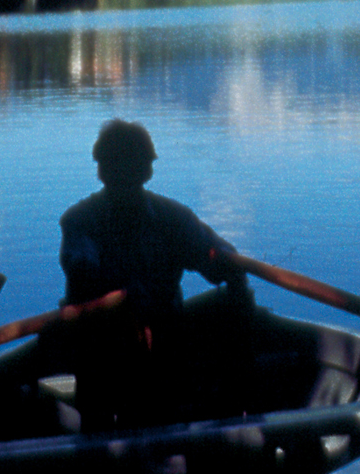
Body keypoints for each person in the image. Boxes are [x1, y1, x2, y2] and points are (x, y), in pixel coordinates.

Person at [57, 119, 249, 428]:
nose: (122, 175)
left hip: (164, 345)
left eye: (129, 166)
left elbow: (217, 259)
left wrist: (229, 266)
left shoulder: (174, 218)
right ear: (103, 171)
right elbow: (82, 272)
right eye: (115, 166)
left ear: (145, 171)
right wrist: (125, 308)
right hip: (103, 351)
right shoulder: (80, 222)